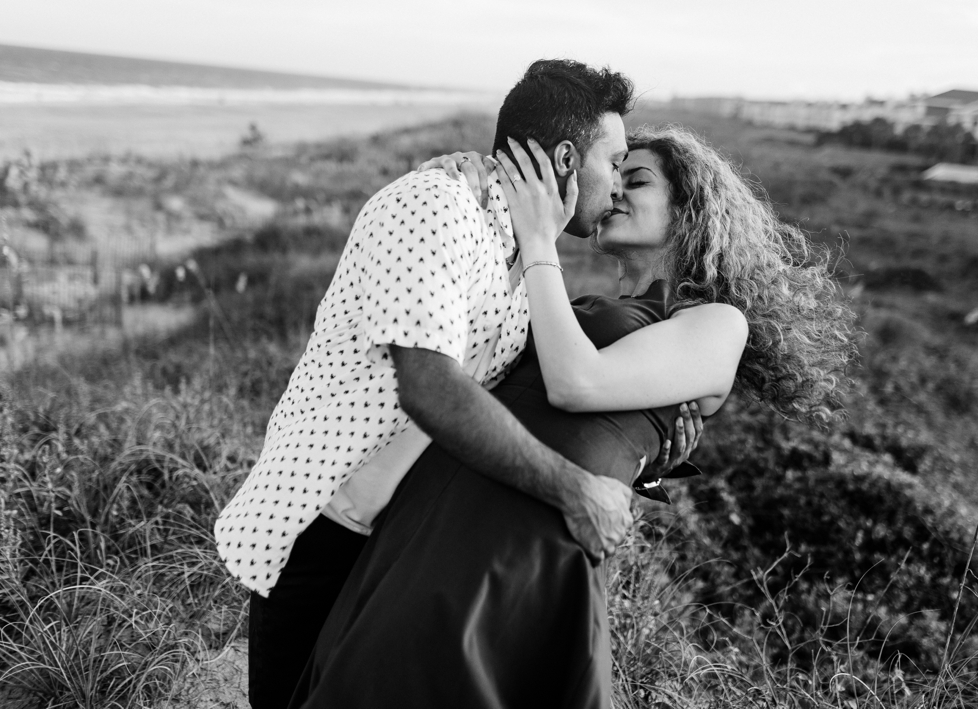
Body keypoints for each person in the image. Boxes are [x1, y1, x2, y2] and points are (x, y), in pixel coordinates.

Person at [290, 126, 856, 707]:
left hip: (526, 540)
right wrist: (461, 193)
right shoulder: (575, 304)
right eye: (613, 173)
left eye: (636, 179)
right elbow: (472, 352)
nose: (614, 190)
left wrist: (541, 244)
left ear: (692, 211)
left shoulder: (717, 323)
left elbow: (573, 384)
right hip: (427, 517)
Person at [214, 59, 703, 708]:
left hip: (402, 540)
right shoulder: (436, 205)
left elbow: (542, 393)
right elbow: (431, 387)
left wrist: (652, 443)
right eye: (612, 162)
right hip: (321, 525)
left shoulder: (526, 262)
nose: (616, 183)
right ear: (564, 157)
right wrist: (574, 490)